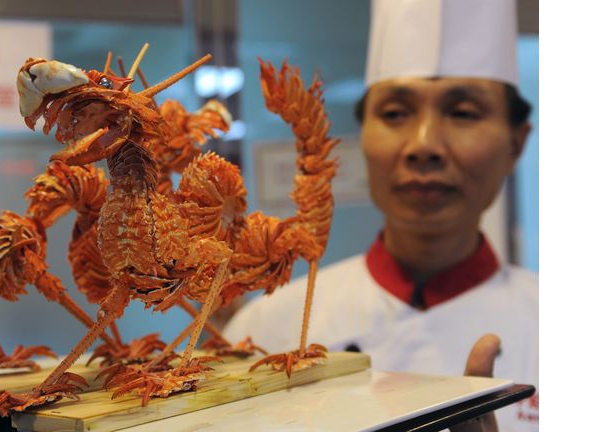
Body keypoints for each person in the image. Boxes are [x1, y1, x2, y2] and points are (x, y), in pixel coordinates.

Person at [222, 1, 538, 431]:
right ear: (362, 134)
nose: (423, 145)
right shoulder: (266, 330)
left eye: (463, 112)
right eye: (394, 114)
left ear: (516, 145)